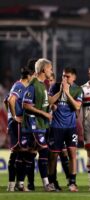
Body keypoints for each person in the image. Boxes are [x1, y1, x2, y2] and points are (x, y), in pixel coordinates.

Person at [22, 58, 55, 192]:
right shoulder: (34, 84)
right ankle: (46, 184)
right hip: (34, 124)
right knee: (44, 151)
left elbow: (44, 103)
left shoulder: (42, 85)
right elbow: (25, 104)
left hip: (42, 124)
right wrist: (44, 114)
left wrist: (52, 106)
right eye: (50, 68)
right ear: (43, 70)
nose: (51, 71)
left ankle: (18, 182)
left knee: (31, 155)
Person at [47, 67, 83, 192]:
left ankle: (72, 182)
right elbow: (49, 101)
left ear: (74, 77)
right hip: (56, 127)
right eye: (63, 76)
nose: (64, 78)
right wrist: (61, 91)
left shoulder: (78, 90)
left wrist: (67, 93)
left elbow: (77, 106)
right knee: (53, 156)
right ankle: (51, 182)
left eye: (67, 76)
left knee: (72, 154)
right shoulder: (55, 87)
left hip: (70, 127)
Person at [6, 62, 35, 191]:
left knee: (19, 154)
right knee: (21, 153)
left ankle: (14, 184)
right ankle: (16, 184)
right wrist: (13, 116)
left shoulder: (22, 86)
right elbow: (10, 100)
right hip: (18, 123)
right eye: (32, 75)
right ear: (28, 76)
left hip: (21, 124)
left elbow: (5, 100)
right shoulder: (19, 86)